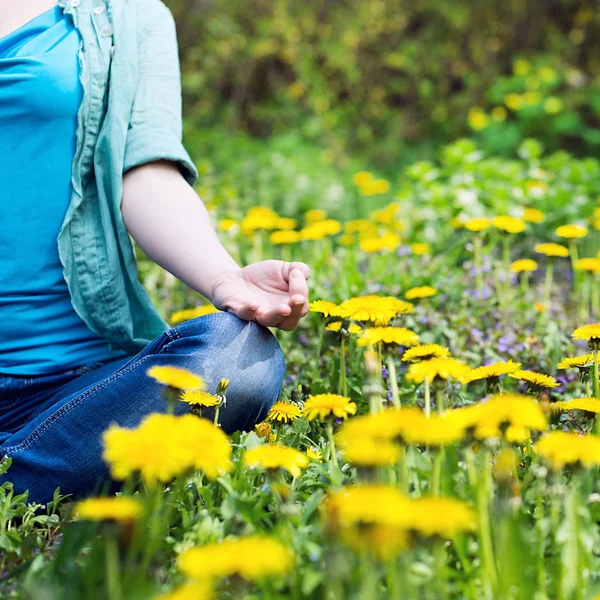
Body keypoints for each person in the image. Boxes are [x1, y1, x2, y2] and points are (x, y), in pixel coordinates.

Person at [0, 0, 310, 505]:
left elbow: (147, 175)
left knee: (238, 359)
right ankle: (34, 485)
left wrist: (225, 278)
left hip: (76, 391)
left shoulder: (130, 16)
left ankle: (17, 480)